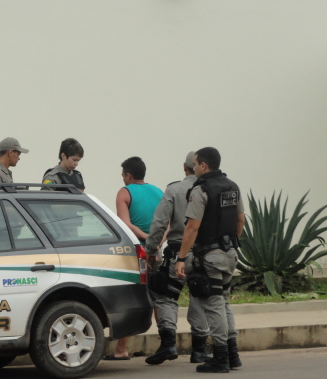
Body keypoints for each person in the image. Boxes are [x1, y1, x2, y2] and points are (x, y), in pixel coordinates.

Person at [175, 147, 245, 373]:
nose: (193, 168)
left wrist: (181, 258)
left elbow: (192, 227)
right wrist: (231, 243)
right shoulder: (232, 186)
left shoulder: (201, 189)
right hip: (229, 253)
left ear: (204, 166)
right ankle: (233, 356)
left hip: (210, 256)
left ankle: (221, 358)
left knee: (214, 304)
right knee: (224, 302)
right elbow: (241, 220)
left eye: (195, 164)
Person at [144, 151, 212, 366]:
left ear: (185, 167)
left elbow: (159, 223)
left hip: (176, 255)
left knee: (165, 296)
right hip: (204, 256)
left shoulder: (174, 189)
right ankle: (200, 350)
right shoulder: (213, 189)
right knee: (200, 297)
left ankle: (168, 344)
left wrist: (151, 249)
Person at [105, 156, 162, 361]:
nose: (122, 178)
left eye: (123, 175)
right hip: (157, 250)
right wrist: (157, 242)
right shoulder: (158, 192)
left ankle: (121, 349)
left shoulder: (125, 192)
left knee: (131, 296)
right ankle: (166, 343)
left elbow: (124, 223)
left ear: (128, 175)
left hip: (135, 249)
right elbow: (169, 223)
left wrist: (145, 238)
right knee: (158, 299)